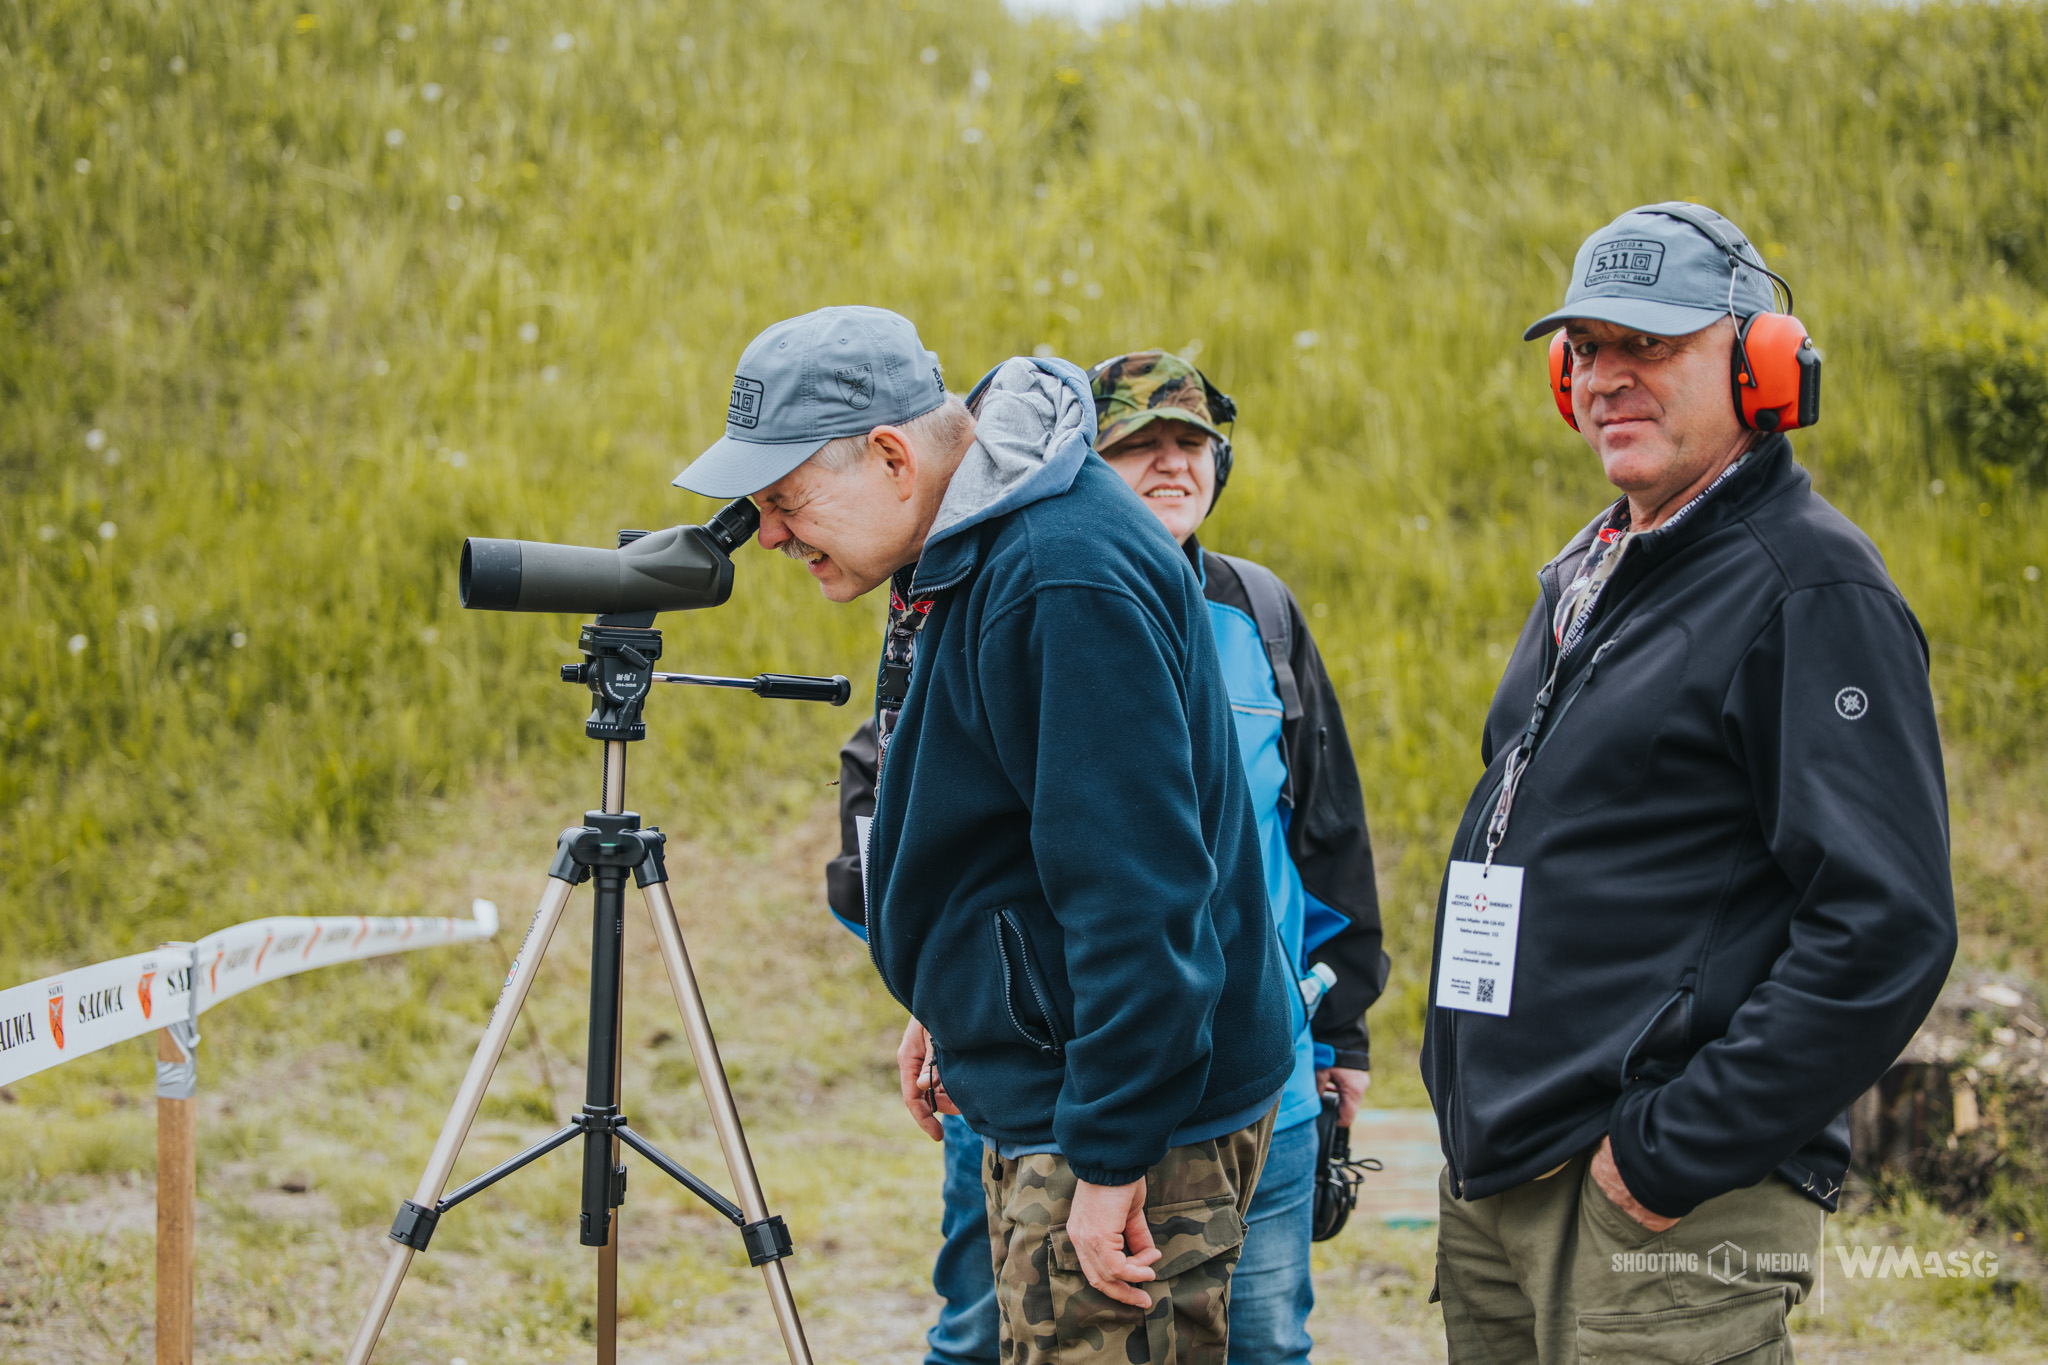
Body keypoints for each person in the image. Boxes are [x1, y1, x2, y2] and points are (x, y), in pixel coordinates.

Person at [671, 306, 1296, 1364]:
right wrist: (953, 1006)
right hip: (1066, 1083)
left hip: (1119, 1126)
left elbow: (1138, 896)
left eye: (783, 501)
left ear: (887, 455)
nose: (769, 533)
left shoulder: (1056, 574)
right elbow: (1000, 831)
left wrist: (1109, 1155)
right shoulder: (976, 541)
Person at [1423, 203, 1957, 1364]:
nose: (1608, 377)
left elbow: (1884, 926)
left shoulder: (1809, 589)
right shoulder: (1594, 569)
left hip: (1647, 1200)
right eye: (1587, 350)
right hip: (1509, 1169)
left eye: (1650, 346)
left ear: (1760, 366)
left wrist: (1671, 1151)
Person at [827, 351, 1391, 1365]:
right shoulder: (976, 568)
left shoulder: (1110, 585)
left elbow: (1281, 845)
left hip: (1160, 1065)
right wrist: (946, 998)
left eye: (1192, 443)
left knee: (1257, 1337)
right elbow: (963, 822)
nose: (1172, 465)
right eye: (1141, 444)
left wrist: (1337, 1027)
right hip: (1064, 1051)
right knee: (982, 1325)